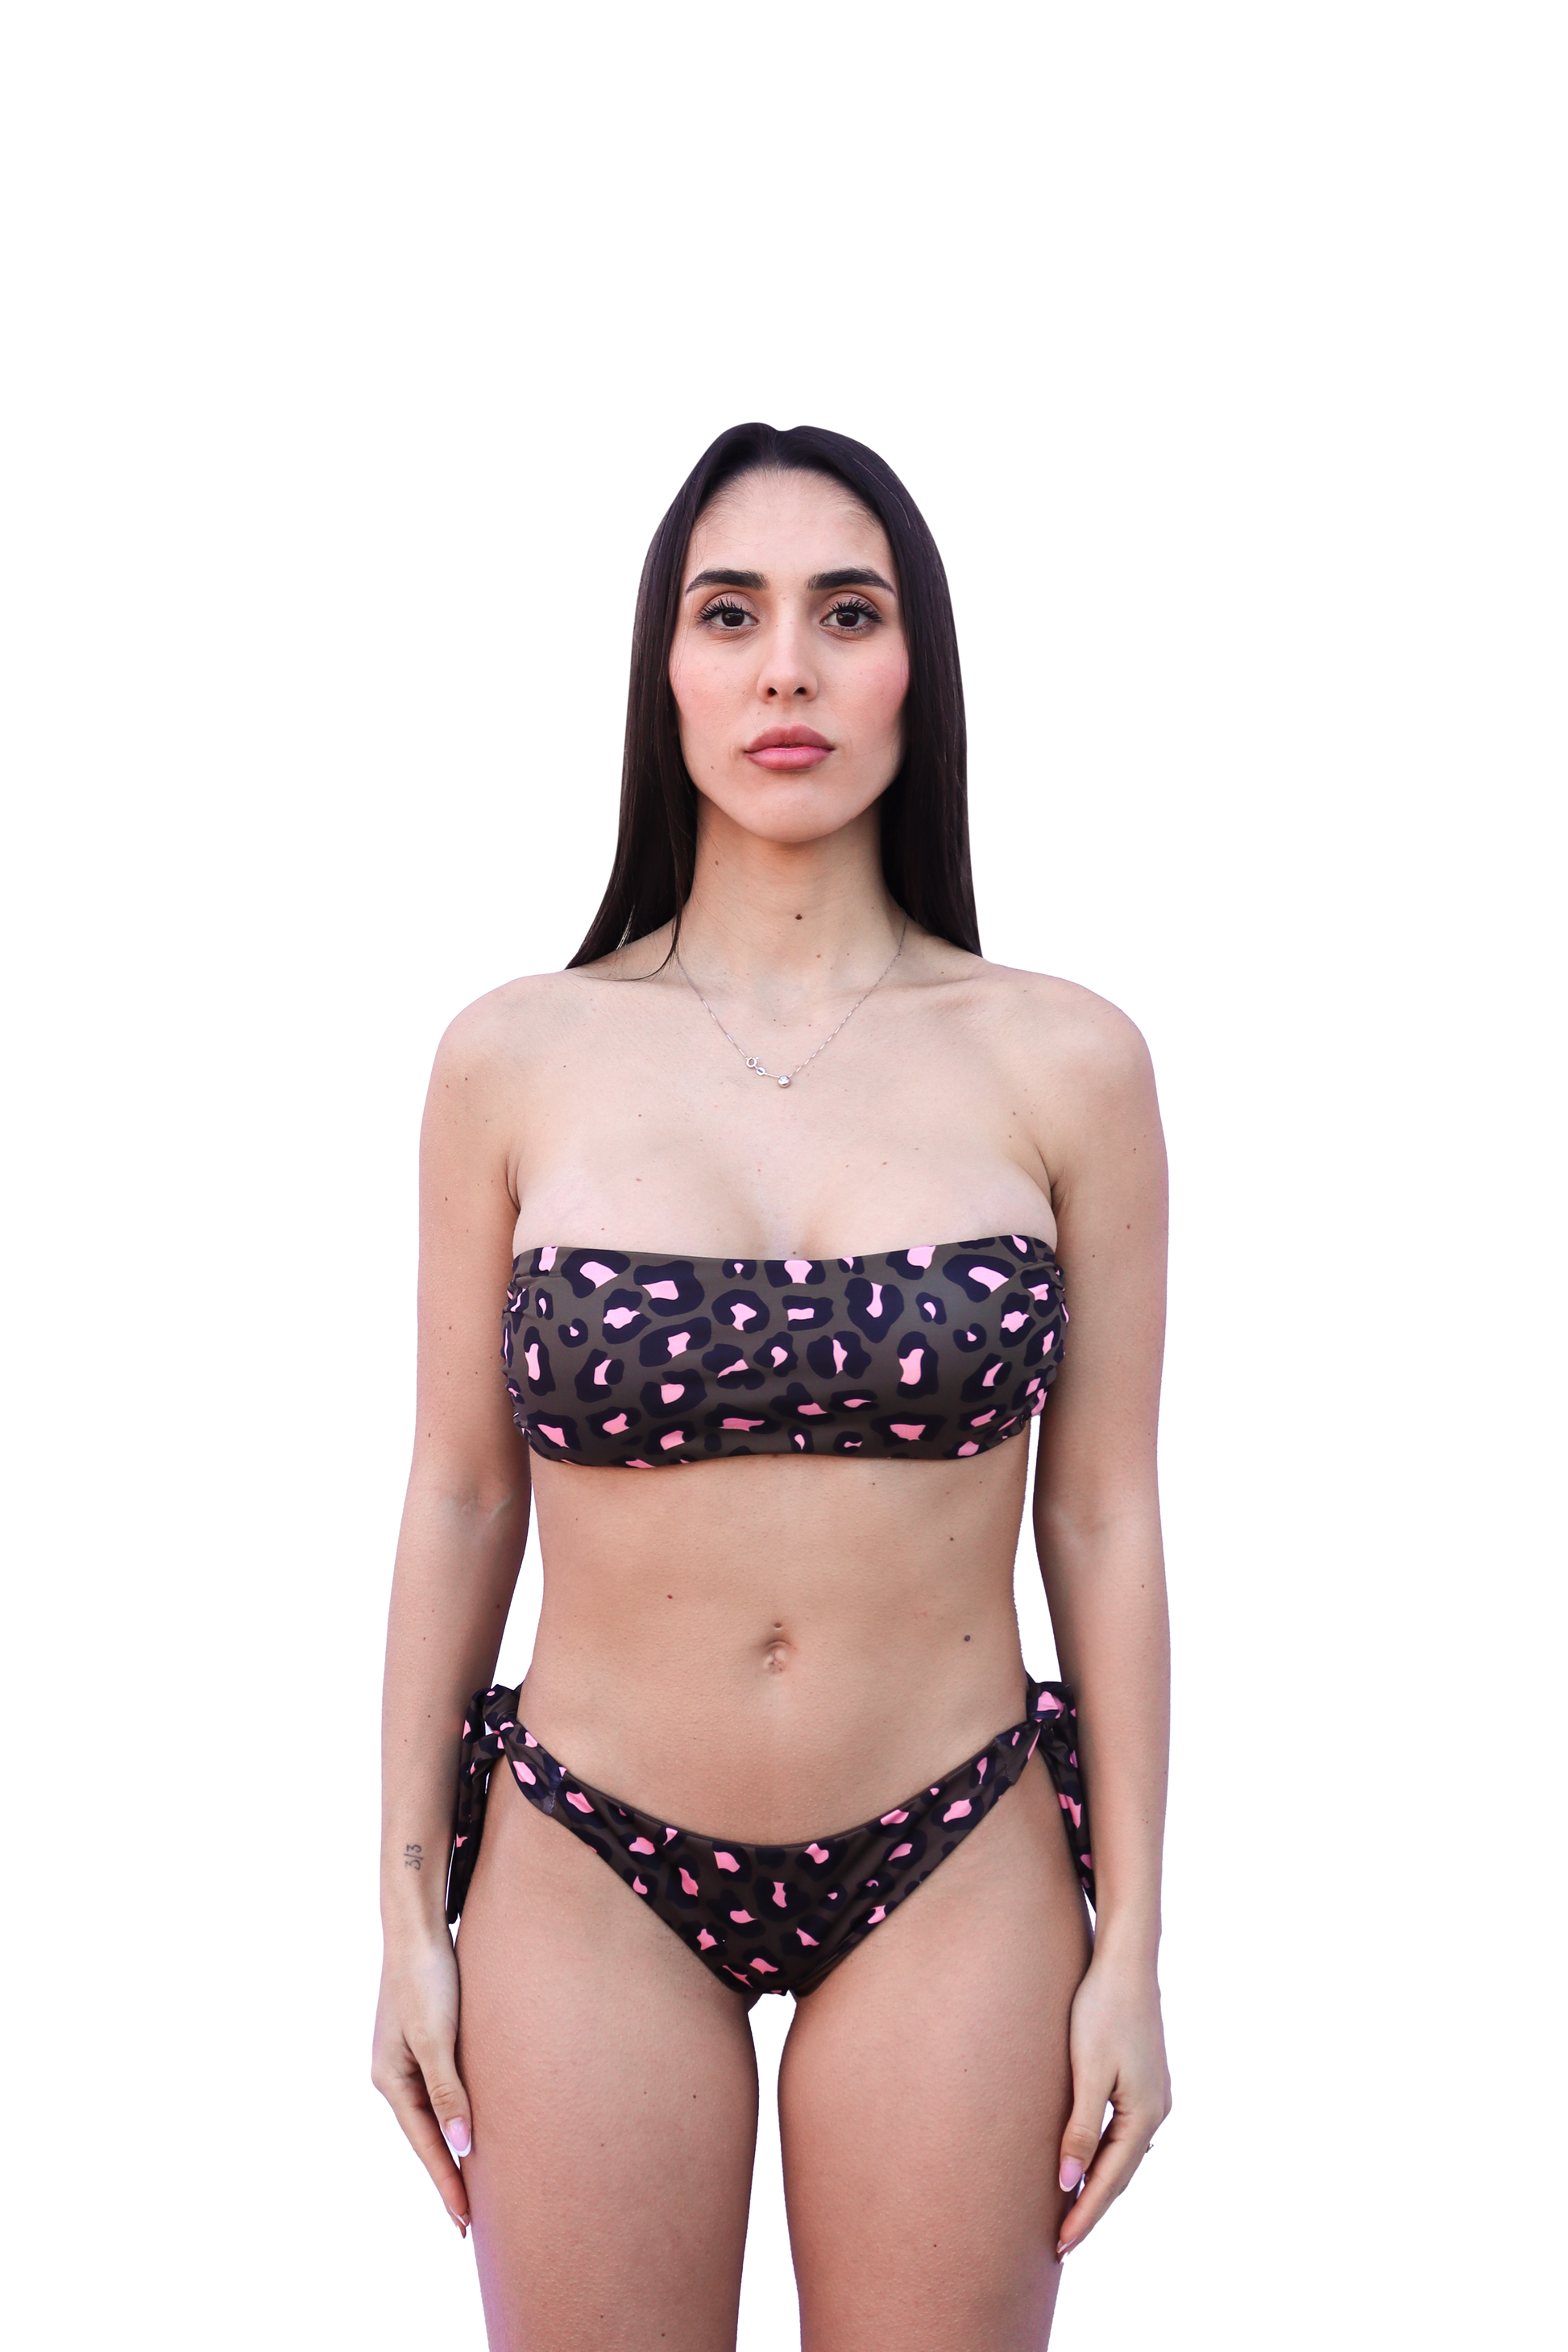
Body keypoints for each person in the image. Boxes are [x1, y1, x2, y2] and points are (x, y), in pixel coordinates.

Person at [372, 421, 1172, 2350]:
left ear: (919, 668)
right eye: (729, 614)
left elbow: (1101, 1510)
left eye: (848, 613)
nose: (786, 668)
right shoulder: (515, 1056)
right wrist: (402, 1910)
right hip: (587, 1856)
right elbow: (461, 1493)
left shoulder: (1065, 1062)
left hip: (956, 1847)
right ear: (665, 669)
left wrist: (1135, 1941)